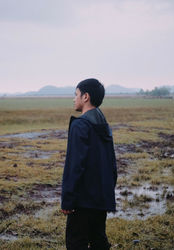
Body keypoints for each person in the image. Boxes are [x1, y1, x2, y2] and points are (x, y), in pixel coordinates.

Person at [61, 78, 117, 250]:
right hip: (100, 197)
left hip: (83, 200)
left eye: (76, 94)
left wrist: (68, 200)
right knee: (98, 239)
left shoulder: (80, 125)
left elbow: (75, 165)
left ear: (86, 97)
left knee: (75, 242)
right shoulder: (103, 124)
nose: (74, 99)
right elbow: (111, 164)